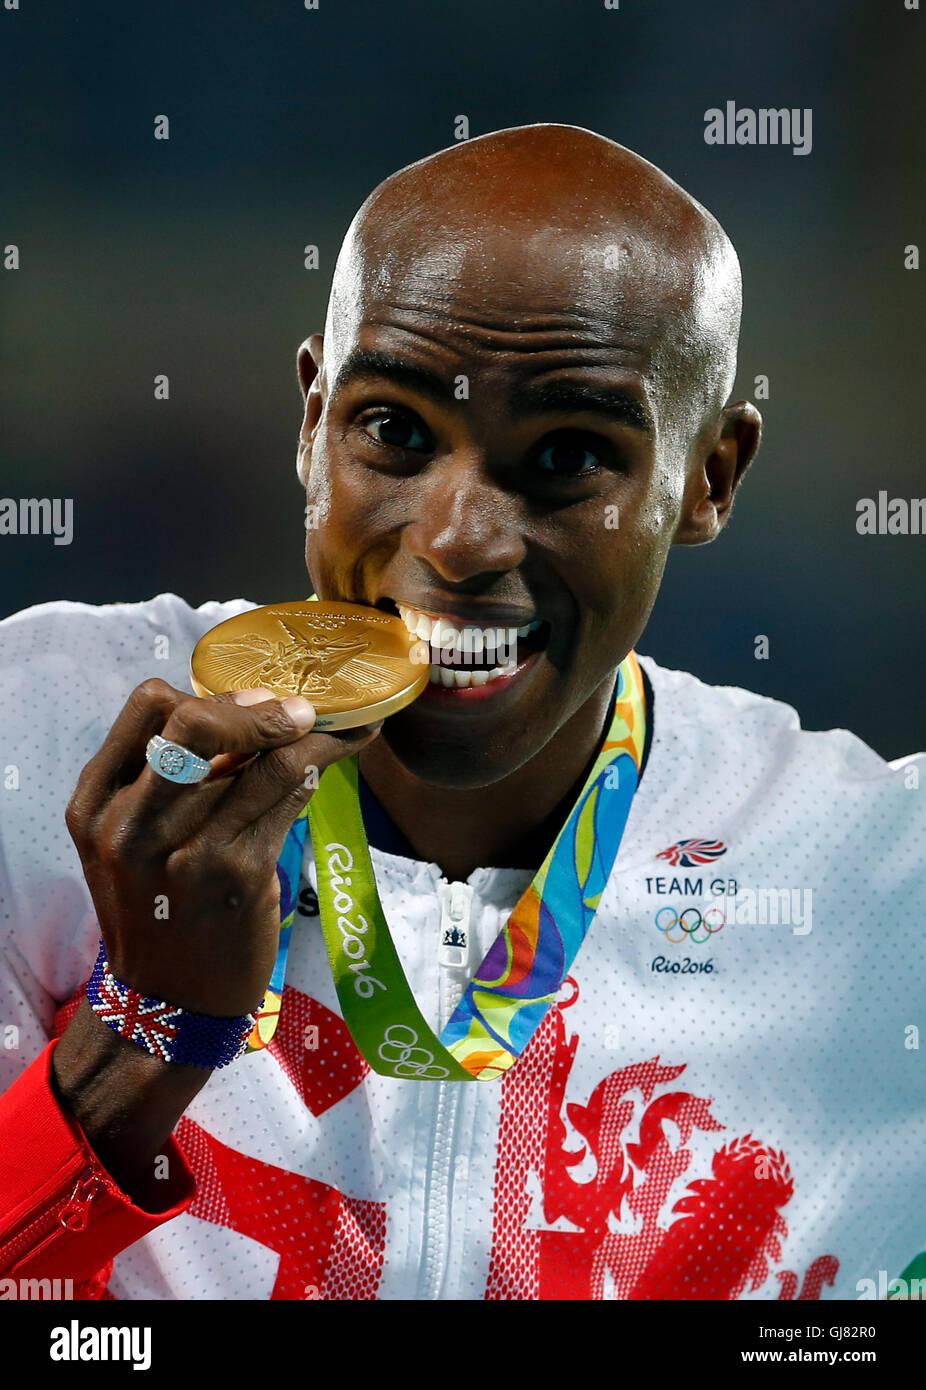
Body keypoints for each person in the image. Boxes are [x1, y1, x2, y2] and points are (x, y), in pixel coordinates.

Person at [0, 123, 922, 1303]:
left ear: (708, 478)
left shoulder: (878, 883)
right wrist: (144, 1030)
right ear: (311, 419)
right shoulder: (41, 748)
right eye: (392, 430)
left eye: (569, 454)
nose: (454, 539)